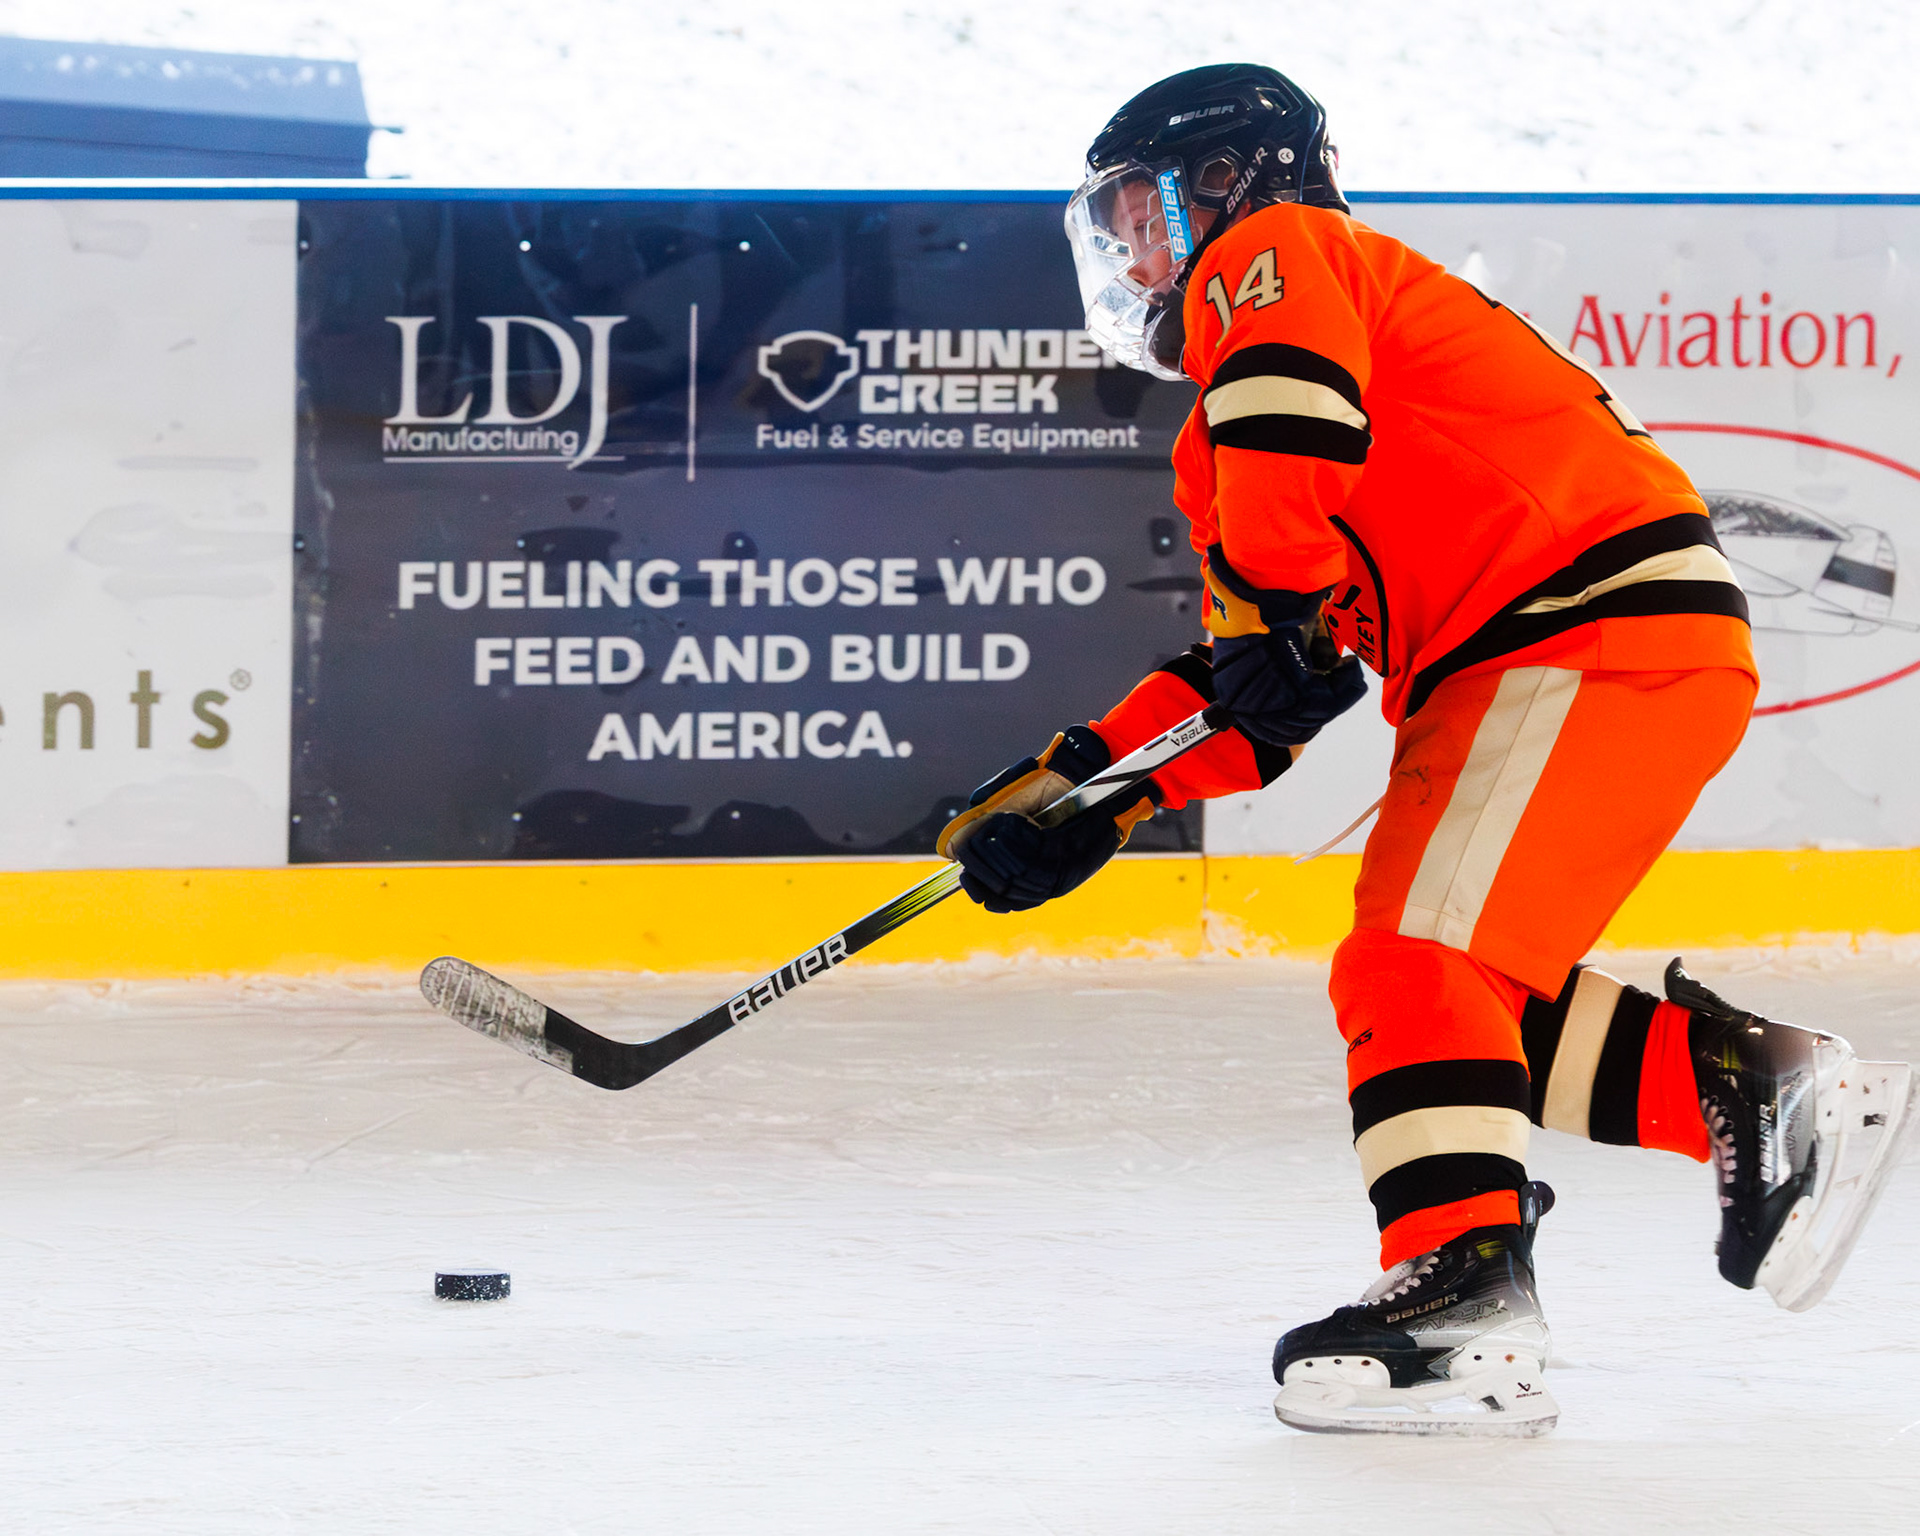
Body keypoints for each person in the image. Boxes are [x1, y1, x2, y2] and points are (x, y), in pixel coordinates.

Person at [936, 62, 1917, 1436]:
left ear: (1224, 181)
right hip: (1560, 648)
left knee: (1413, 960)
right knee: (1457, 1002)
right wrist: (1088, 793)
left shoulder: (1284, 258)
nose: (1138, 258)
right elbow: (1269, 690)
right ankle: (1754, 1093)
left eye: (1145, 219)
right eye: (1120, 235)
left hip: (1577, 627)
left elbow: (1283, 478)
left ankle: (1463, 1293)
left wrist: (1266, 611)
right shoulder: (1232, 439)